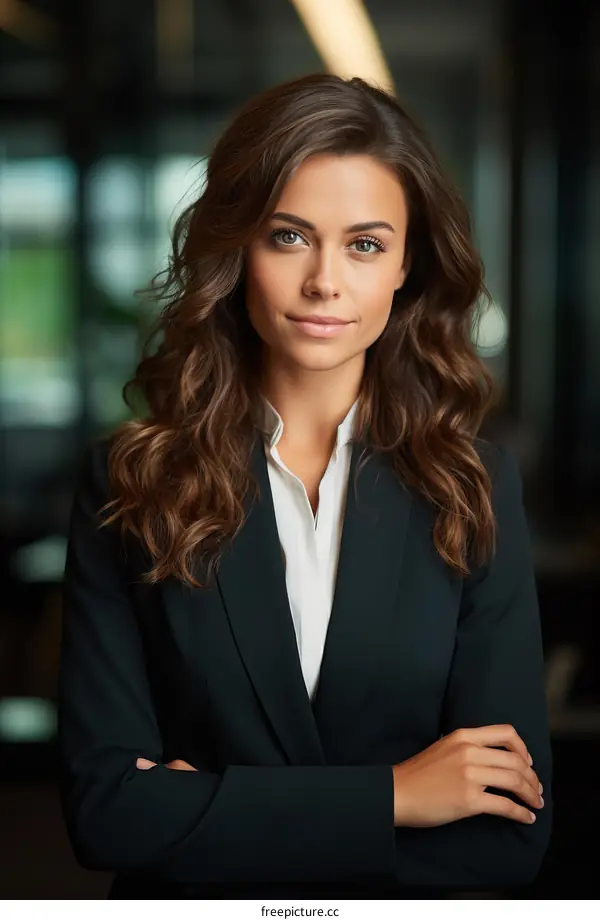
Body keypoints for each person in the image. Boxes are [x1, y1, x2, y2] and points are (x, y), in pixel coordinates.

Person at [58, 73, 552, 899]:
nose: (326, 281)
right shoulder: (131, 482)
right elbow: (108, 815)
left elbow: (504, 842)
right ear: (236, 251)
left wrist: (204, 810)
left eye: (365, 244)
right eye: (289, 237)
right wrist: (398, 795)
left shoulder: (473, 484)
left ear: (405, 267)